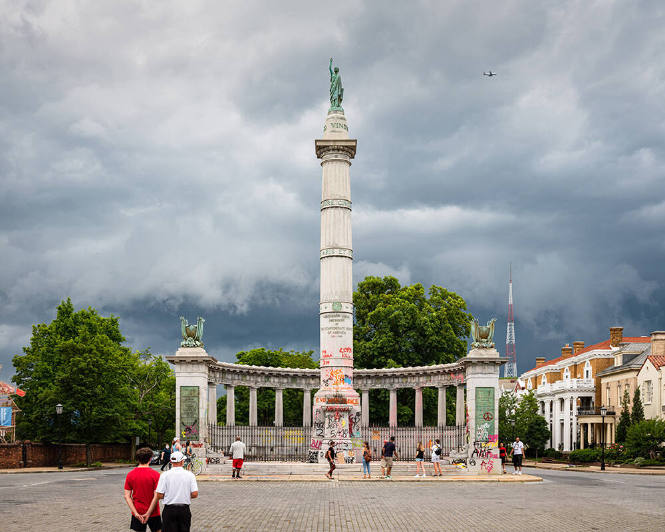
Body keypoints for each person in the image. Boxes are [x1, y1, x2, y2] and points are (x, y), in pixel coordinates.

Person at [142, 451, 198, 532]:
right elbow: (195, 494)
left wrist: (170, 495)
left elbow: (159, 495)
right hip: (184, 510)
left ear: (171, 461)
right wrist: (183, 495)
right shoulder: (190, 475)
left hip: (169, 510)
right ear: (182, 461)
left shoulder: (164, 475)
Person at [124, 447, 162, 532]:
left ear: (138, 459)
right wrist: (148, 513)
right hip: (154, 511)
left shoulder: (130, 475)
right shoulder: (156, 475)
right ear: (150, 458)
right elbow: (157, 496)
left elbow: (127, 496)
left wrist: (136, 513)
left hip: (137, 510)